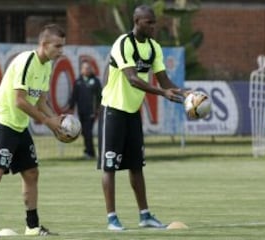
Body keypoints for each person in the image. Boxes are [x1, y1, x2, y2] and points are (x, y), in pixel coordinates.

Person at [97, 5, 189, 231]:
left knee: (136, 166)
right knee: (109, 166)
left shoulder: (154, 47)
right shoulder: (123, 44)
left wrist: (185, 93)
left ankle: (145, 215)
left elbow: (164, 80)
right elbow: (132, 79)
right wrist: (162, 94)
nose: (153, 26)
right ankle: (112, 218)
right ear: (137, 21)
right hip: (113, 110)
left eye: (154, 22)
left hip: (132, 112)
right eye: (149, 22)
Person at [0, 24, 66, 238]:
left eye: (63, 46)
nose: (61, 51)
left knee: (32, 173)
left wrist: (56, 122)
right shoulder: (27, 61)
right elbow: (20, 101)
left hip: (20, 126)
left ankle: (33, 227)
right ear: (44, 44)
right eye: (58, 46)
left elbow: (41, 100)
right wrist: (47, 121)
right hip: (3, 122)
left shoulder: (47, 66)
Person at [69, 60, 102, 159]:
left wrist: (98, 109)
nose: (87, 70)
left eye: (89, 68)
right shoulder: (78, 81)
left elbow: (100, 96)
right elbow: (74, 96)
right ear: (81, 69)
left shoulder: (95, 81)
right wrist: (71, 108)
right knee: (84, 132)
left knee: (88, 132)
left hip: (91, 112)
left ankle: (90, 153)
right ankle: (88, 151)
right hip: (81, 111)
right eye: (85, 68)